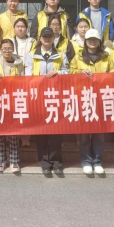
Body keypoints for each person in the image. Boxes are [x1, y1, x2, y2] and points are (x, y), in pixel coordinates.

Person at [25, 27, 69, 176]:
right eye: (45, 37)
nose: (47, 39)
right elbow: (27, 76)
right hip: (38, 97)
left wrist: (59, 73)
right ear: (40, 38)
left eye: (50, 36)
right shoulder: (31, 55)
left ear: (53, 38)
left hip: (56, 97)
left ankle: (57, 162)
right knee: (41, 131)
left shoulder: (61, 54)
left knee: (56, 131)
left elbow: (68, 71)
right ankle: (44, 162)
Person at [69, 29, 110, 176]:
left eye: (95, 40)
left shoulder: (106, 57)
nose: (92, 42)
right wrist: (80, 73)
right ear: (85, 42)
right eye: (89, 40)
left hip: (101, 98)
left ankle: (97, 161)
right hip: (84, 98)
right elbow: (70, 73)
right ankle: (86, 161)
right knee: (85, 133)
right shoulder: (78, 57)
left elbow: (113, 75)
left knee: (99, 133)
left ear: (99, 42)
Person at [0, 39, 24, 173]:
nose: (7, 51)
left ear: (13, 49)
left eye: (9, 48)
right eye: (4, 48)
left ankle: (14, 161)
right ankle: (1, 160)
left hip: (15, 100)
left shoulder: (19, 63)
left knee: (14, 133)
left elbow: (25, 79)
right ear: (1, 50)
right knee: (0, 133)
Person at [10, 18, 35, 148]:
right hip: (13, 79)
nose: (20, 28)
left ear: (27, 28)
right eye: (18, 26)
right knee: (14, 108)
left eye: (22, 26)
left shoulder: (33, 42)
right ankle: (13, 135)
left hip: (28, 78)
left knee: (27, 108)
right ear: (14, 28)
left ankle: (26, 137)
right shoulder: (9, 41)